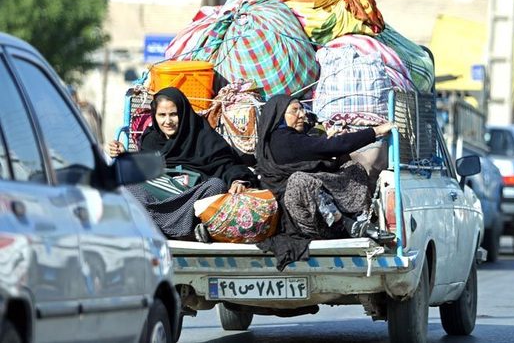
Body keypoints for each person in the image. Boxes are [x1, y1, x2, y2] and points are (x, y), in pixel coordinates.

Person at [255, 94, 396, 269]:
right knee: (300, 181)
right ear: (279, 116)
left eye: (302, 109)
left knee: (354, 168)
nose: (302, 115)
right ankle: (346, 224)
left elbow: (313, 147)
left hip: (319, 214)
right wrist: (376, 131)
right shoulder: (281, 139)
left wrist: (325, 139)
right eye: (294, 110)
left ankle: (357, 219)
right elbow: (331, 147)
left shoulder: (292, 137)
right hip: (299, 220)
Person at [108, 87, 258, 241]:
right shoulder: (151, 138)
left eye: (173, 114)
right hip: (161, 198)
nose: (167, 121)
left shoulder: (202, 135)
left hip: (190, 198)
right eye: (162, 115)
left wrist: (238, 179)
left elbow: (226, 164)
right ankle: (187, 232)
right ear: (155, 115)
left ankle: (160, 227)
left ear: (183, 113)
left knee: (216, 186)